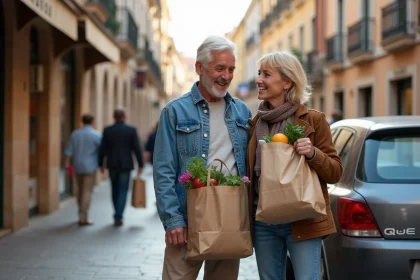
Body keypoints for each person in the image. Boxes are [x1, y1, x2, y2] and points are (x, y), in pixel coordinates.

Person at [153, 36, 252, 280]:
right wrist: (173, 219)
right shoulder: (175, 111)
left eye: (231, 69)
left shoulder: (242, 111)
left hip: (229, 217)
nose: (226, 76)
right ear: (199, 68)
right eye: (219, 68)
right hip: (187, 219)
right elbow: (164, 169)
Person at [247, 51, 343, 280]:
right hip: (265, 220)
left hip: (303, 219)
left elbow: (335, 171)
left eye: (267, 74)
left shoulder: (313, 120)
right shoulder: (254, 124)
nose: (259, 79)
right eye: (259, 73)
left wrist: (312, 153)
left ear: (287, 81)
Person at [98, 108, 144, 227]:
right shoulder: (131, 130)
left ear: (114, 117)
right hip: (126, 165)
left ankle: (117, 214)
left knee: (114, 190)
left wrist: (100, 164)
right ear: (125, 117)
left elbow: (102, 148)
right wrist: (141, 164)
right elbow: (137, 148)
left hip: (112, 164)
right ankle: (118, 216)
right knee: (123, 190)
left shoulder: (108, 130)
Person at [65, 114, 101, 226]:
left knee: (79, 191)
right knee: (87, 192)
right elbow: (101, 151)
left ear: (82, 121)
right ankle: (83, 217)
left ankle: (80, 214)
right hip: (90, 166)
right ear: (92, 122)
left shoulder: (75, 134)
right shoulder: (96, 135)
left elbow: (69, 151)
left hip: (77, 166)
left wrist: (67, 164)